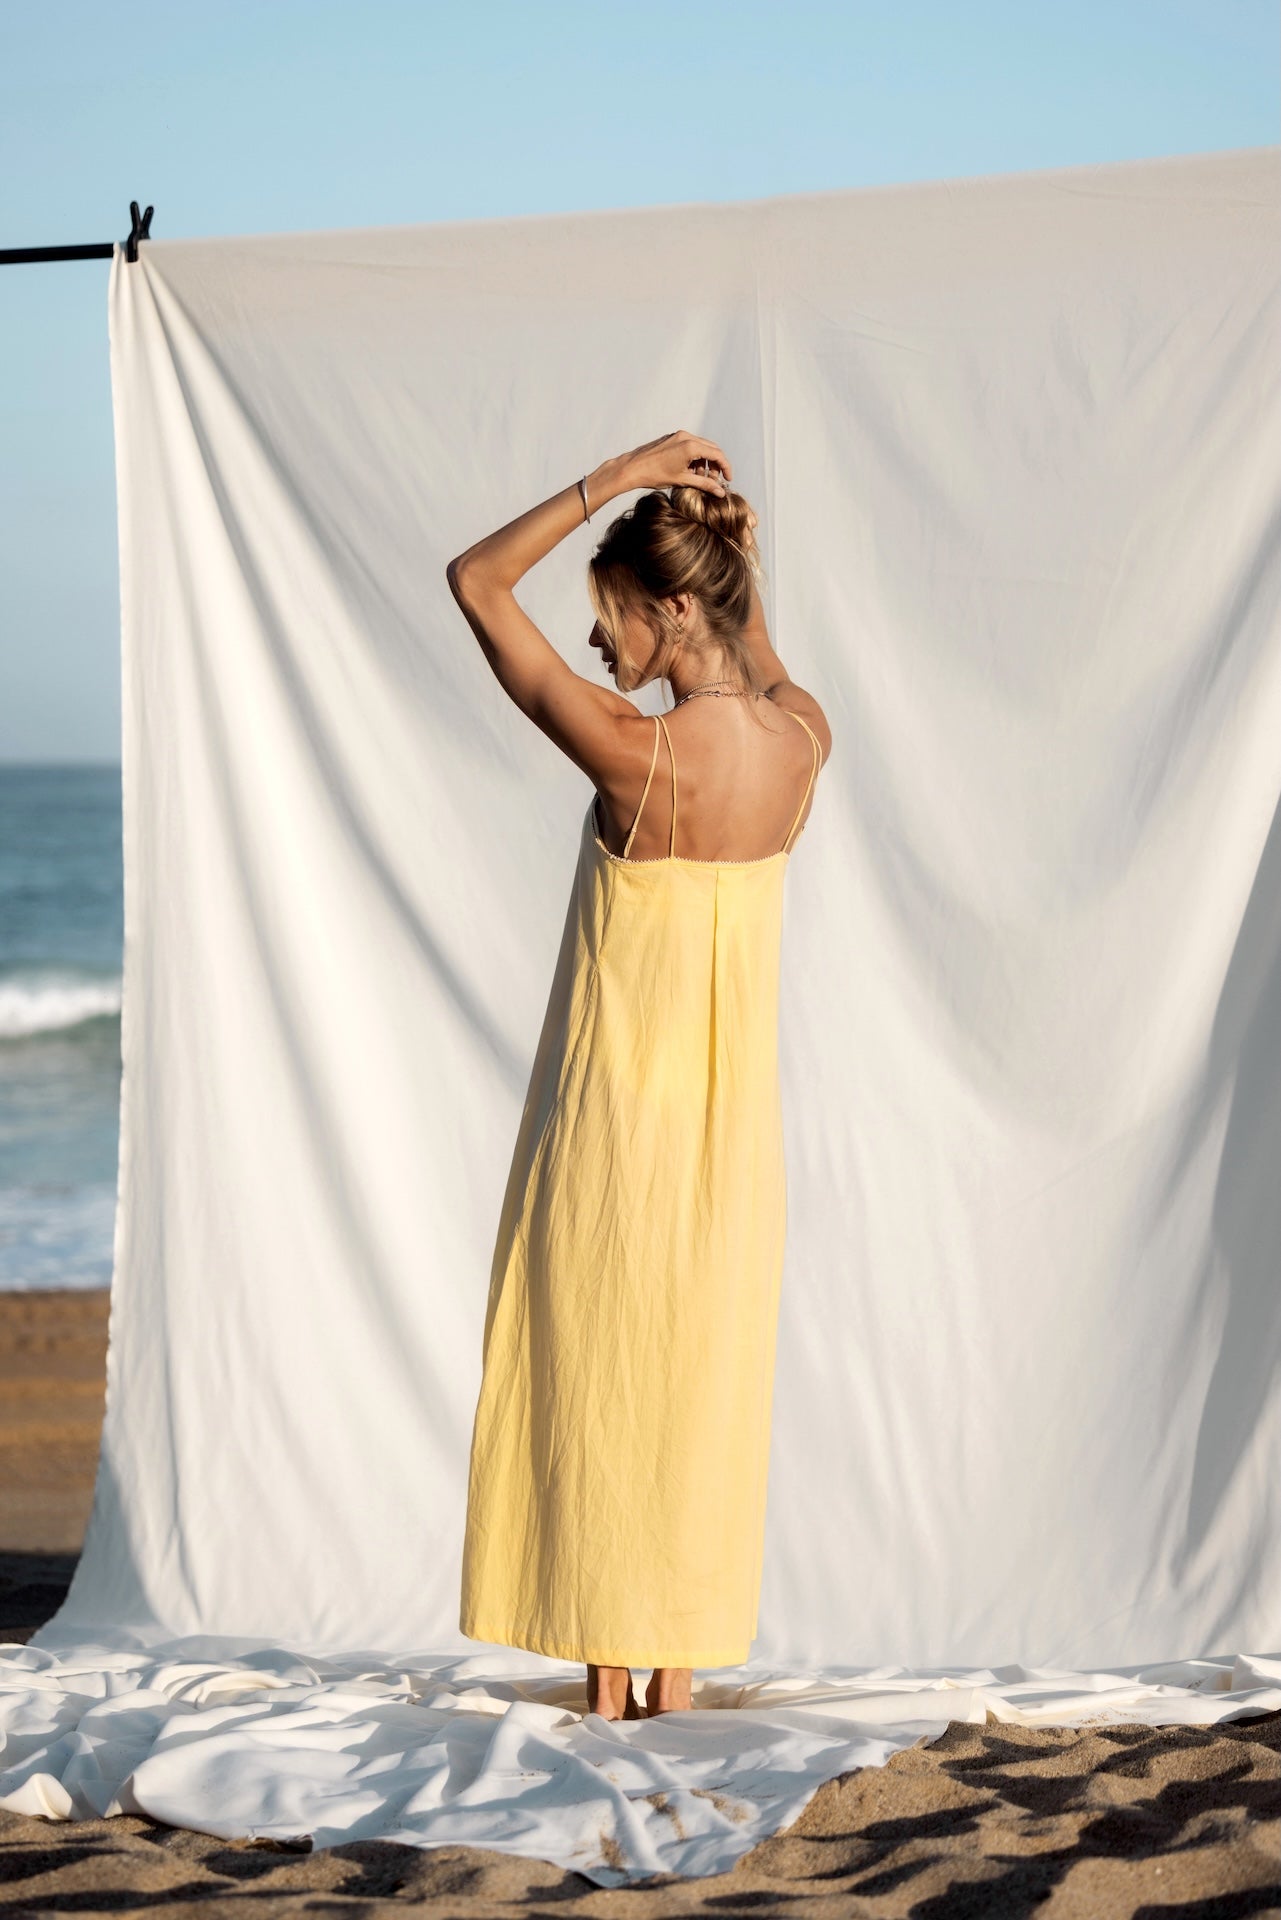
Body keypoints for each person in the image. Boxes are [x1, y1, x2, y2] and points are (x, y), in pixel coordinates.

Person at [446, 429, 831, 1721]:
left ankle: (609, 1681)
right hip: (732, 1145)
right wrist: (731, 552)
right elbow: (757, 654)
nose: (596, 637)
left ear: (668, 609)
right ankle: (673, 1668)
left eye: (611, 610)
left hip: (614, 1128)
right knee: (697, 1387)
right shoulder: (802, 744)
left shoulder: (634, 751)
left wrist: (614, 480)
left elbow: (474, 582)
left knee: (601, 1372)